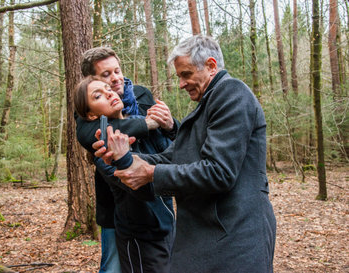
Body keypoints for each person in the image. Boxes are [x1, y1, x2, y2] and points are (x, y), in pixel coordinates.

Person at [93, 35, 276, 273]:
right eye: (179, 76)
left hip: (234, 237)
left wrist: (150, 173)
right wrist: (124, 158)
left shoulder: (232, 93)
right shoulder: (208, 103)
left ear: (211, 66)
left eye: (186, 74)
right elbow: (174, 156)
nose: (181, 83)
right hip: (209, 234)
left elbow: (219, 172)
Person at [75, 47, 179, 273]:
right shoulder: (89, 113)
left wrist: (170, 125)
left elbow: (171, 144)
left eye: (117, 71)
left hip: (161, 212)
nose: (115, 79)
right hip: (122, 211)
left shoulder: (141, 95)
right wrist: (146, 124)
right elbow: (94, 136)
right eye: (105, 75)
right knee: (113, 267)